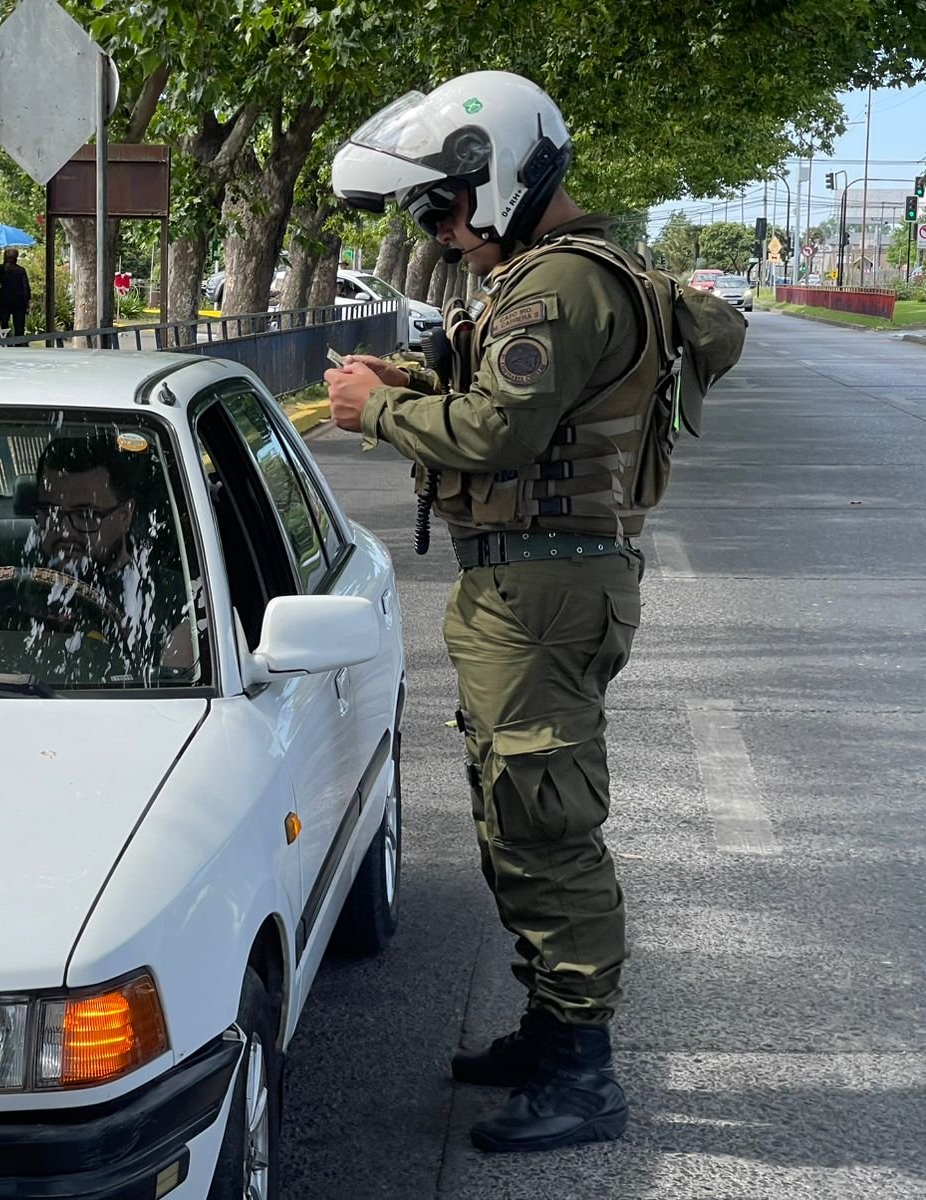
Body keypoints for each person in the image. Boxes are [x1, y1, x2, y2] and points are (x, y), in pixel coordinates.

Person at [325, 71, 661, 1154]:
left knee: (547, 823)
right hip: (532, 582)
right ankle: (549, 1028)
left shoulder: (556, 287)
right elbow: (501, 399)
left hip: (544, 586)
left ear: (500, 173)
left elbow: (501, 435)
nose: (438, 231)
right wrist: (415, 374)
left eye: (441, 206)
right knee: (515, 811)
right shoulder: (543, 280)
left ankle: (583, 1070)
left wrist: (375, 408)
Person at [0, 431, 194, 675]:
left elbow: (174, 701)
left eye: (85, 516)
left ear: (125, 515)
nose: (63, 531)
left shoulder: (174, 604)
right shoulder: (4, 593)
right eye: (50, 513)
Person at [0, 247, 31, 338]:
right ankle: (19, 345)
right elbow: (26, 287)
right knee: (19, 326)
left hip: (4, 299)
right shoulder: (20, 270)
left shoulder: (1, 268)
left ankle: (3, 342)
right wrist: (27, 302)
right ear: (16, 258)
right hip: (19, 301)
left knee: (3, 322)